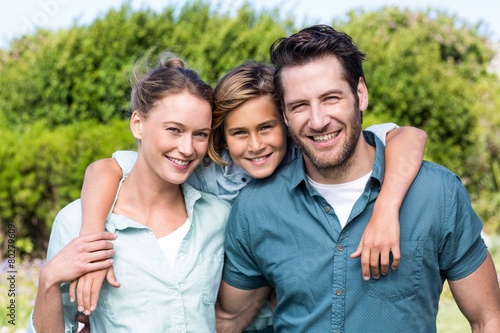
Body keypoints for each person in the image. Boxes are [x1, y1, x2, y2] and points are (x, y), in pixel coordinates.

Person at [72, 60, 427, 330]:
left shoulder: (307, 151)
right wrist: (90, 240)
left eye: (267, 128)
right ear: (222, 138)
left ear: (286, 122)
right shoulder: (207, 170)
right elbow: (106, 169)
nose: (256, 145)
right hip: (234, 311)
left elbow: (409, 136)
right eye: (239, 133)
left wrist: (386, 209)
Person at [215, 25, 500, 332]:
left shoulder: (436, 193)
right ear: (285, 115)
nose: (318, 120)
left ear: (360, 94)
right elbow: (229, 319)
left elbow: (488, 318)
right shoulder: (256, 208)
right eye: (299, 106)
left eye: (331, 98)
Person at [27, 53, 230, 332]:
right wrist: (48, 280)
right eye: (174, 130)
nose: (187, 148)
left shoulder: (218, 217)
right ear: (138, 124)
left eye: (200, 134)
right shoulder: (77, 222)